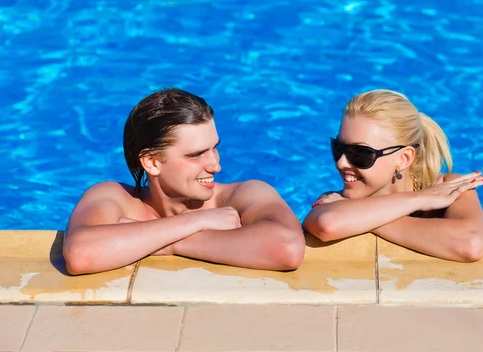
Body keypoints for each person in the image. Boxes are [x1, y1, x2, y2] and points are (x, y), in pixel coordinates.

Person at [64, 88, 305, 275]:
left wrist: (168, 244)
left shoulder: (243, 195)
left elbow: (288, 249)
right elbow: (80, 254)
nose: (215, 165)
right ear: (152, 162)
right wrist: (196, 221)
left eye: (214, 149)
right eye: (196, 155)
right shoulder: (114, 196)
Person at [303, 89, 483, 262]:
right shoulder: (334, 200)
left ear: (404, 158)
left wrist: (362, 218)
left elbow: (469, 244)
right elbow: (326, 224)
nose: (341, 162)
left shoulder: (450, 188)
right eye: (338, 148)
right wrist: (418, 199)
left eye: (359, 153)